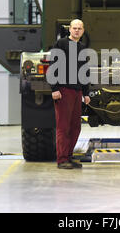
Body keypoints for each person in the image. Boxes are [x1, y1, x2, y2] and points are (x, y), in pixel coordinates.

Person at [49, 19, 91, 169]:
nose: (77, 31)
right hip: (64, 90)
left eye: (79, 28)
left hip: (77, 91)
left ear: (83, 30)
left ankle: (69, 156)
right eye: (74, 28)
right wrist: (54, 89)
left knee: (75, 127)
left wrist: (86, 93)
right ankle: (62, 159)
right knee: (63, 126)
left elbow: (85, 72)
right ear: (70, 29)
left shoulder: (82, 48)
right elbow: (52, 67)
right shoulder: (61, 44)